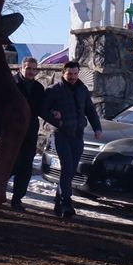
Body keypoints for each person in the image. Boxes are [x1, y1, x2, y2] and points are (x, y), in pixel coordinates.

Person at [40, 60, 103, 218]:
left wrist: (97, 128)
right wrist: (57, 121)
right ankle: (67, 204)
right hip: (61, 135)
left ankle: (58, 202)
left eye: (75, 73)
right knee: (67, 168)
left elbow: (90, 110)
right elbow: (42, 109)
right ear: (63, 73)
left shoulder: (82, 89)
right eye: (70, 74)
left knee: (70, 171)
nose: (73, 77)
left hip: (78, 135)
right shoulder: (54, 90)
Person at [0, 57, 47, 211]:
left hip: (29, 133)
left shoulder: (38, 88)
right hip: (10, 131)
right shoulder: (10, 85)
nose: (31, 71)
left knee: (25, 168)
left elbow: (42, 109)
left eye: (33, 69)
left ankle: (17, 199)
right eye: (28, 68)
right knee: (8, 164)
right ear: (20, 69)